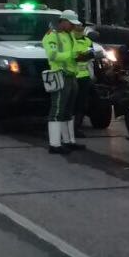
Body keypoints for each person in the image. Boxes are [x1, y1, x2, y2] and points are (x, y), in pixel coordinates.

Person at [42, 11, 86, 154]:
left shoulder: (70, 35)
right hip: (59, 75)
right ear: (63, 21)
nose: (73, 26)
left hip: (72, 76)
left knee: (68, 111)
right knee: (57, 110)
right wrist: (72, 55)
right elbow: (52, 55)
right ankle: (54, 144)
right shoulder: (51, 36)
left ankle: (69, 141)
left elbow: (74, 53)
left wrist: (82, 55)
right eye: (71, 23)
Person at [71, 20, 95, 138]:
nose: (79, 27)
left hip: (85, 76)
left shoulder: (88, 40)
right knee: (70, 103)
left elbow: (91, 55)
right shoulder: (69, 39)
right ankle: (69, 129)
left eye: (81, 25)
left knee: (82, 104)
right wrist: (81, 55)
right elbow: (73, 56)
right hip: (71, 75)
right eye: (77, 25)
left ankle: (76, 128)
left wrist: (80, 56)